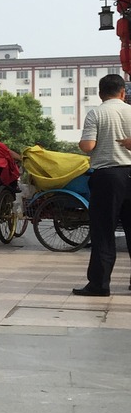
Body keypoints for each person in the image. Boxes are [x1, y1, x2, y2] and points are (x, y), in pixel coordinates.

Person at [72, 73, 131, 297]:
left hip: (108, 178)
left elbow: (88, 145)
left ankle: (99, 284)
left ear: (100, 93)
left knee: (103, 232)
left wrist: (82, 143)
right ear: (123, 92)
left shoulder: (96, 113)